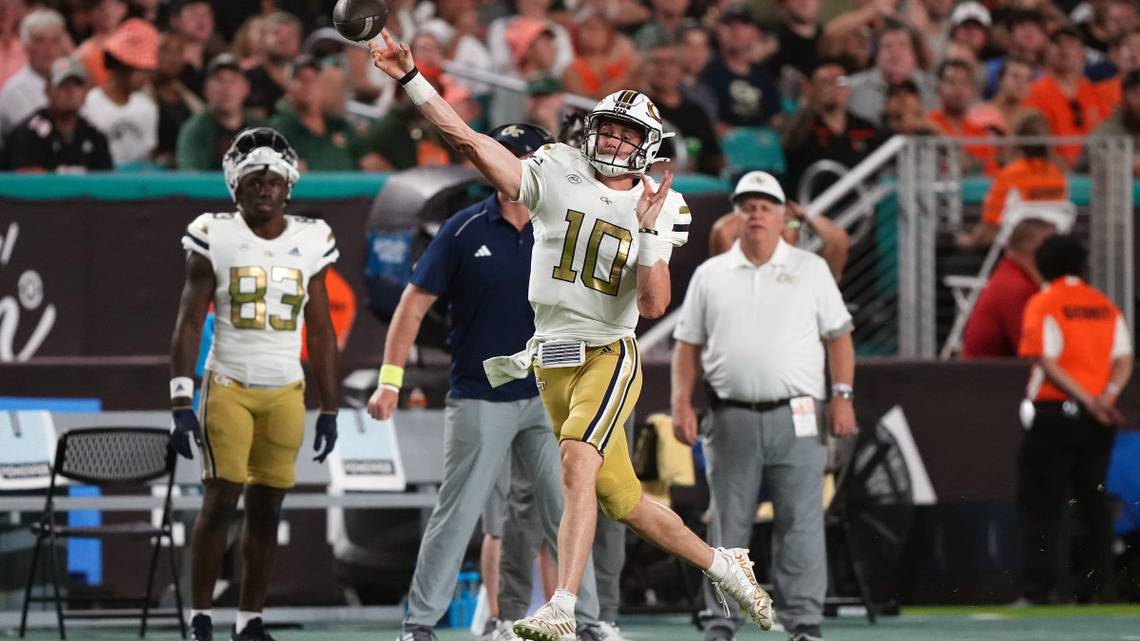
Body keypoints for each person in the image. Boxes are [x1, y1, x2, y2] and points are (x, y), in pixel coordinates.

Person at [369, 28, 773, 641]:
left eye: (626, 134)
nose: (612, 139)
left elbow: (657, 303)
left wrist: (642, 236)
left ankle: (561, 605)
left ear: (648, 147)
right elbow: (472, 143)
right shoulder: (558, 168)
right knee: (622, 499)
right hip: (550, 359)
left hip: (609, 353)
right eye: (607, 128)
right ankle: (725, 565)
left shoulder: (662, 205)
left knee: (576, 462)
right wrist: (410, 77)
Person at [365, 123, 604, 641]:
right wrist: (389, 381)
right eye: (508, 157)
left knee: (568, 509)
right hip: (479, 394)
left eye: (528, 158)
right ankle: (420, 622)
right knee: (458, 511)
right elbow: (411, 307)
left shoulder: (570, 226)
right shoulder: (462, 229)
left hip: (552, 398)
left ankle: (586, 622)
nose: (517, 167)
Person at [169, 127, 341, 641]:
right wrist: (181, 397)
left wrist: (330, 406)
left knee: (267, 508)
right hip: (229, 384)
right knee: (220, 500)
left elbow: (322, 329)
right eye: (253, 178)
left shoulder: (312, 237)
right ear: (234, 186)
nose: (264, 187)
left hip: (286, 388)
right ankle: (200, 616)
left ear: (288, 186)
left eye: (272, 179)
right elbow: (187, 321)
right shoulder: (213, 234)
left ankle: (250, 620)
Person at [671, 171, 857, 641]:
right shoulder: (711, 273)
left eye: (766, 206)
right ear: (736, 215)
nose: (756, 213)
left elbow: (839, 336)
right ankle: (721, 621)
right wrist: (680, 402)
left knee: (801, 521)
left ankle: (804, 620)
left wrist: (842, 395)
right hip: (729, 413)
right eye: (747, 206)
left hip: (798, 413)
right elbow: (687, 345)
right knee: (727, 525)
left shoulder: (811, 269)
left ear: (783, 216)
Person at [1017, 234, 1133, 604]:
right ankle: (1096, 591)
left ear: (1043, 264)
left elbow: (1047, 362)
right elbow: (1124, 359)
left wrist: (1086, 400)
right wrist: (1106, 398)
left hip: (1055, 416)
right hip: (1097, 423)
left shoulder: (1044, 303)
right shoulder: (1104, 305)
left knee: (1040, 504)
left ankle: (1040, 591)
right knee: (1093, 504)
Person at [956, 112, 1067, 249]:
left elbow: (990, 228)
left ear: (1016, 140)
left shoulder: (1010, 175)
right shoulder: (1057, 175)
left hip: (1015, 250)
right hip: (1049, 251)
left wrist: (970, 240)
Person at [782, 58, 885, 199]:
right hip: (818, 208)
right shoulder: (802, 132)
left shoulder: (866, 128)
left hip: (861, 208)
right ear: (812, 89)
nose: (833, 87)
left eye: (839, 80)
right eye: (825, 82)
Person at [960, 218, 1056, 358]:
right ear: (1035, 250)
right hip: (992, 375)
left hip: (996, 371)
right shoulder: (1016, 287)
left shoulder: (1011, 275)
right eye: (1053, 247)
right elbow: (1032, 350)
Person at [266, 54, 380, 171]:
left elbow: (371, 162)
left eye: (313, 78)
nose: (308, 84)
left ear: (324, 86)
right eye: (300, 78)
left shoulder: (340, 126)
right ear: (288, 87)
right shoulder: (279, 127)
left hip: (351, 189)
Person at [3, 55, 111, 171]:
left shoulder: (95, 136)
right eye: (62, 84)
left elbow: (106, 183)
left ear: (85, 92)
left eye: (77, 83)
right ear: (47, 90)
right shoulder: (28, 135)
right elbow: (26, 185)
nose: (70, 90)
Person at [81, 17, 158, 166]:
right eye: (141, 70)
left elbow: (148, 155)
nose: (146, 78)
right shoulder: (88, 105)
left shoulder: (148, 107)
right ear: (121, 67)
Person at [177, 53, 261, 170]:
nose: (226, 88)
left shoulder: (260, 129)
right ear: (205, 88)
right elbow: (192, 178)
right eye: (219, 80)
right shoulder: (195, 131)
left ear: (246, 88)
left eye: (232, 81)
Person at [0, 8, 69, 136]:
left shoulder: (71, 83)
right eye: (39, 40)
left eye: (55, 40)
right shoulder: (15, 91)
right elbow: (38, 135)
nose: (48, 48)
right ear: (26, 45)